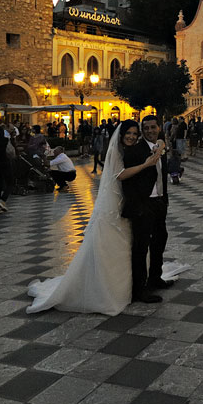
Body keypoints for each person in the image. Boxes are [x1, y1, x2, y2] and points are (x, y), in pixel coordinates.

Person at [26, 120, 138, 314]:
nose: (132, 136)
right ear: (121, 135)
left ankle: (126, 282)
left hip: (124, 200)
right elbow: (119, 175)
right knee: (108, 238)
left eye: (135, 134)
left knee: (124, 239)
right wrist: (146, 165)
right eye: (129, 133)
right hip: (112, 201)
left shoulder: (128, 150)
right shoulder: (115, 152)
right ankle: (106, 286)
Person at [120, 116, 168, 303]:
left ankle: (155, 277)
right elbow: (127, 182)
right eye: (146, 128)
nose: (150, 131)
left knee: (160, 240)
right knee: (141, 247)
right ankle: (139, 289)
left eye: (153, 127)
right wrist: (138, 206)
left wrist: (164, 200)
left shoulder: (160, 148)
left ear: (159, 128)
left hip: (159, 202)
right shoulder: (135, 151)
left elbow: (162, 175)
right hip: (143, 205)